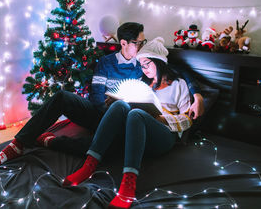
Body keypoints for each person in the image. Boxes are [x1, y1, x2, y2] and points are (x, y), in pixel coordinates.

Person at [0, 22, 203, 167]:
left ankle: (55, 143)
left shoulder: (143, 66)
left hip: (123, 119)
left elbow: (174, 72)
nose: (142, 46)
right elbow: (96, 95)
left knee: (111, 145)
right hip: (101, 112)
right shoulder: (106, 63)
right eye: (139, 42)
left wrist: (198, 95)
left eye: (144, 42)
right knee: (62, 97)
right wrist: (108, 107)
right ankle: (18, 144)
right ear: (124, 44)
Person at [63, 37, 192, 209]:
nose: (144, 69)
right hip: (138, 130)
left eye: (147, 64)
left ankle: (128, 184)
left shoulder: (178, 84)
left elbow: (188, 119)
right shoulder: (142, 83)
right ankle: (89, 165)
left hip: (164, 136)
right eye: (142, 65)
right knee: (120, 105)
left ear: (159, 63)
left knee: (137, 114)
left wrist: (163, 119)